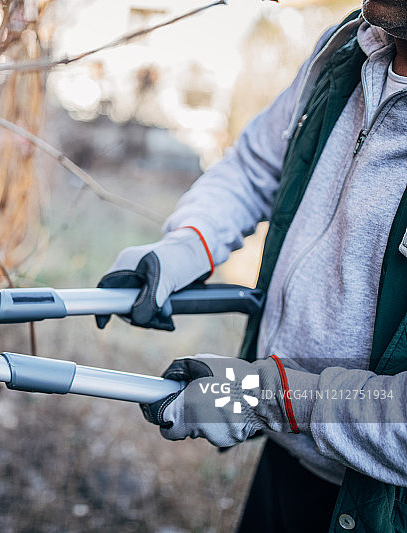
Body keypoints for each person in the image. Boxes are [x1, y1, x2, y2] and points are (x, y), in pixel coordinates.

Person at [97, 2, 407, 532]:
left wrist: (259, 395)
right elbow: (257, 165)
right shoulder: (352, 51)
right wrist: (188, 247)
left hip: (382, 507)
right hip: (293, 457)